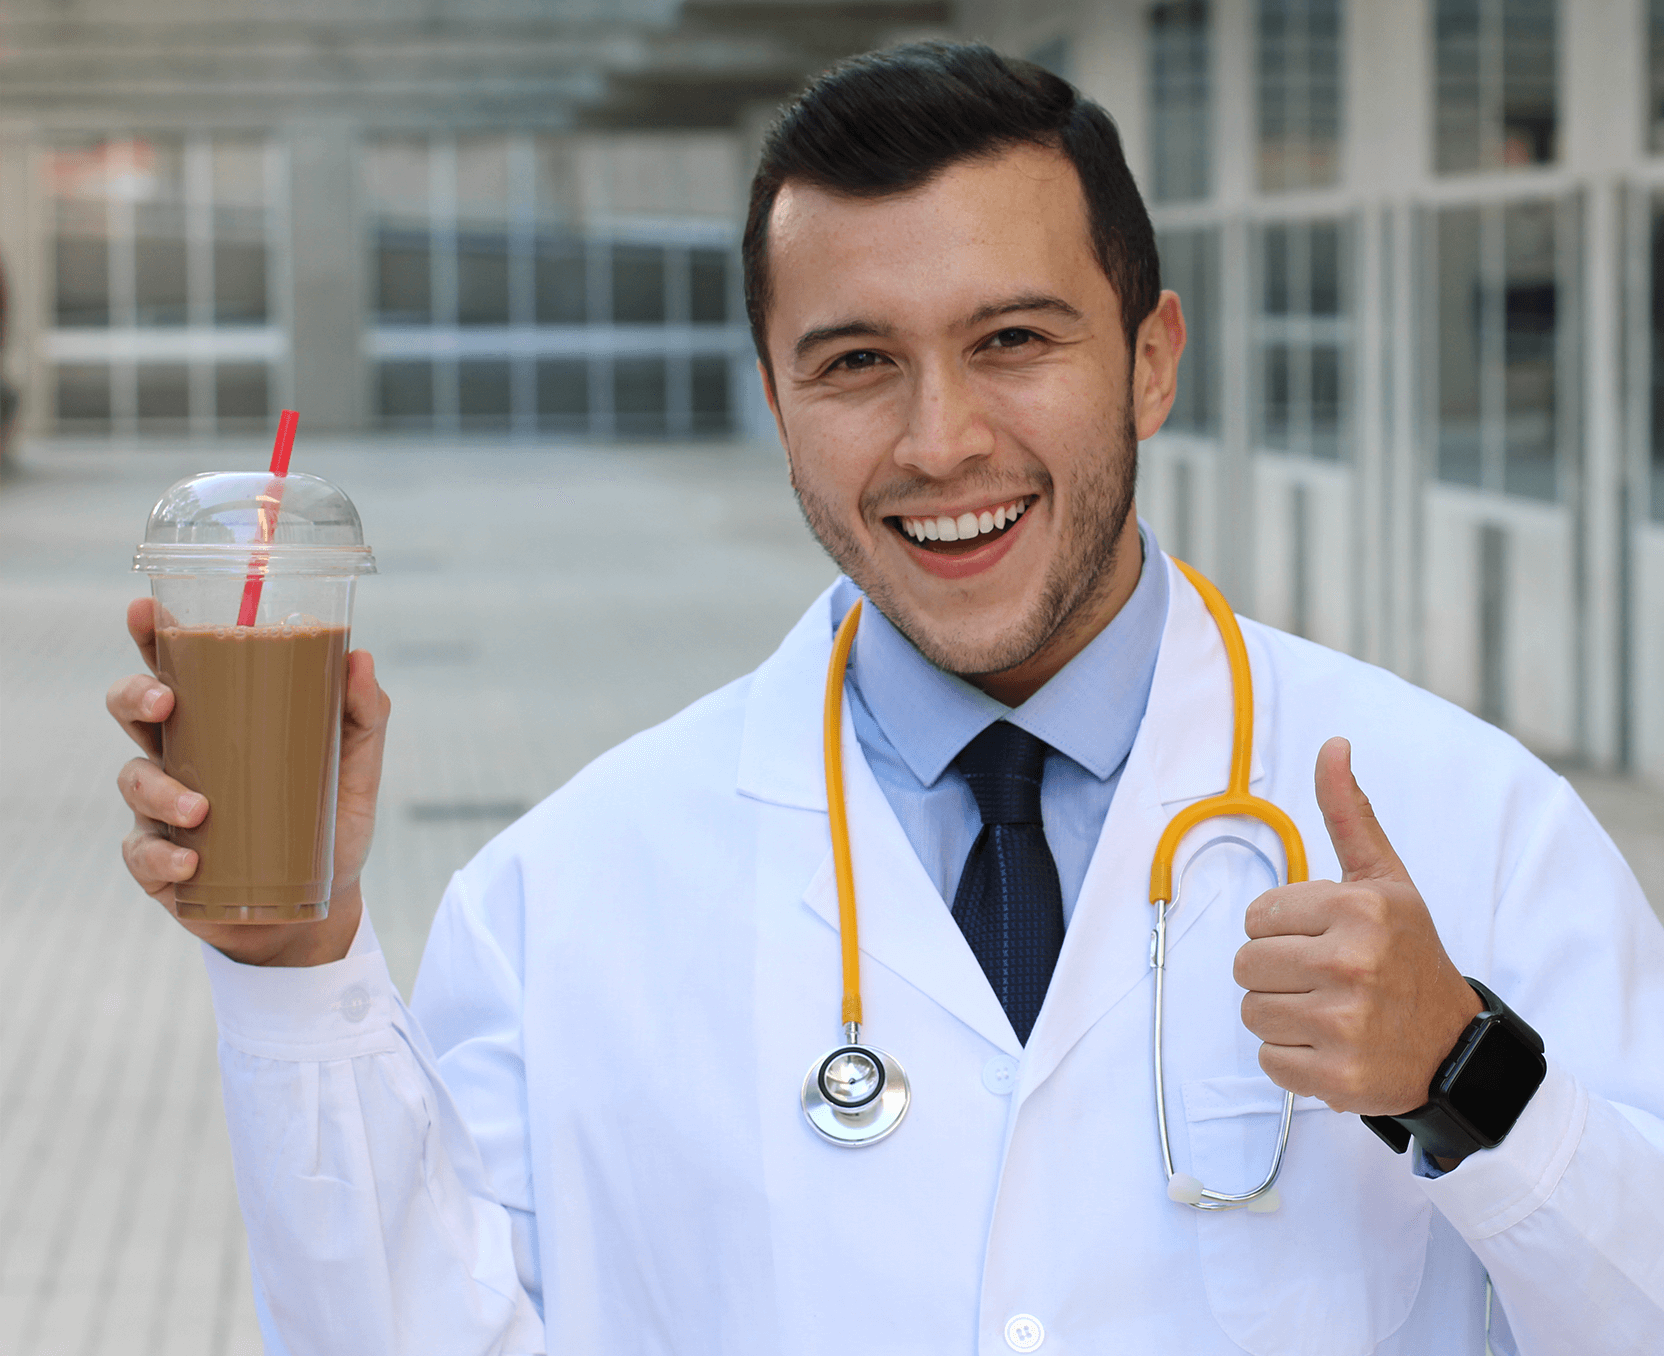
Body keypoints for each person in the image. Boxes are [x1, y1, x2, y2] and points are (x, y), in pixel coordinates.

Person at [109, 43, 1663, 1355]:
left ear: (1152, 359)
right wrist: (297, 975)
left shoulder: (1472, 827)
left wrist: (1471, 1078)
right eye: (856, 362)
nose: (941, 442)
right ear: (776, 399)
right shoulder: (567, 898)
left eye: (1012, 341)